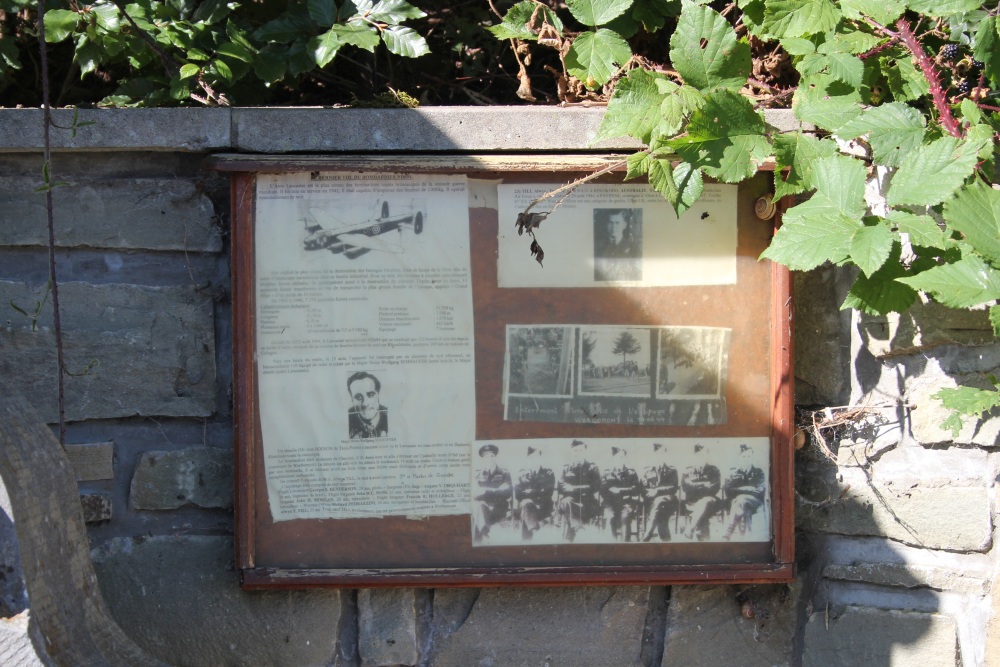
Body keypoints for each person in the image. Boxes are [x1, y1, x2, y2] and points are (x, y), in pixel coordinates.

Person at [557, 440, 601, 542]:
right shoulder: (565, 468)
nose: (578, 453)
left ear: (585, 451)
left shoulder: (593, 467)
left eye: (581, 450)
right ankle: (579, 528)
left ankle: (570, 534)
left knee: (575, 508)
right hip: (568, 501)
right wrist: (583, 487)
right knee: (568, 502)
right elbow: (560, 486)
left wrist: (573, 488)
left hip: (588, 502)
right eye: (575, 450)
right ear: (571, 452)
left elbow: (596, 486)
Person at [723, 444, 767, 540]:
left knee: (741, 499)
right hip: (736, 504)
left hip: (755, 502)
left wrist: (739, 491)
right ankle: (748, 537)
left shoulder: (758, 472)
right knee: (744, 506)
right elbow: (728, 492)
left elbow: (760, 491)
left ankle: (728, 532)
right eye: (743, 456)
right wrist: (747, 488)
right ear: (739, 458)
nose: (746, 459)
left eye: (749, 456)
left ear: (752, 457)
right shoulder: (733, 473)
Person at [599, 447, 642, 541]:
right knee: (610, 518)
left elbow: (636, 489)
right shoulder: (606, 473)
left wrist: (619, 490)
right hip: (610, 504)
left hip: (626, 503)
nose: (621, 459)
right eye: (618, 457)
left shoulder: (631, 472)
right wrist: (610, 494)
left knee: (625, 518)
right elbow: (602, 490)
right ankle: (611, 547)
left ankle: (625, 546)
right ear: (613, 458)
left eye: (623, 457)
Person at [681, 443, 722, 541]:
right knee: (703, 511)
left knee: (705, 501)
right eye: (698, 455)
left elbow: (715, 487)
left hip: (710, 502)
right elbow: (685, 486)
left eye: (703, 454)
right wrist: (704, 486)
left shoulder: (714, 470)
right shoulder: (687, 471)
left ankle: (690, 529)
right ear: (694, 456)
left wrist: (696, 487)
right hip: (692, 503)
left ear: (707, 455)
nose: (700, 457)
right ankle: (703, 540)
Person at [514, 446, 556, 541]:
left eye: (537, 457)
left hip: (543, 507)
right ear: (528, 459)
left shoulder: (548, 473)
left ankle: (526, 541)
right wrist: (535, 494)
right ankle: (534, 530)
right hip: (526, 507)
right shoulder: (521, 474)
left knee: (527, 506)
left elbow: (548, 492)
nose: (535, 460)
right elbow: (518, 494)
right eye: (532, 457)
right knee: (527, 505)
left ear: (541, 458)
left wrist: (530, 493)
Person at [472, 444, 512, 543]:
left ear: (495, 457)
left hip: (499, 508)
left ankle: (481, 538)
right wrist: (496, 490)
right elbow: (475, 495)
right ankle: (485, 535)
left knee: (478, 516)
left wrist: (484, 491)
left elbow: (507, 493)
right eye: (486, 456)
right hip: (483, 507)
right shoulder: (477, 475)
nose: (489, 458)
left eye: (492, 456)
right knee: (479, 507)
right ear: (483, 459)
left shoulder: (504, 473)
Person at [641, 443, 680, 542]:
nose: (659, 456)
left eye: (662, 453)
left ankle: (648, 534)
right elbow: (643, 488)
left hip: (669, 502)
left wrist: (657, 491)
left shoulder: (672, 470)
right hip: (651, 503)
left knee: (660, 502)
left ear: (665, 454)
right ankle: (665, 539)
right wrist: (650, 493)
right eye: (657, 454)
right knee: (661, 512)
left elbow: (673, 487)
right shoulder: (646, 471)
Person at [593, 208, 641, 282]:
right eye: (610, 223)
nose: (613, 227)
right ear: (606, 224)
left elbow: (637, 276)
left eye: (617, 223)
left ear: (624, 225)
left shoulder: (633, 248)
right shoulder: (597, 247)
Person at [347, 371, 388, 439]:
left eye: (370, 395)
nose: (365, 403)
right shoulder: (346, 420)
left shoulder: (390, 416)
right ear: (352, 400)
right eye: (358, 397)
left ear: (378, 395)